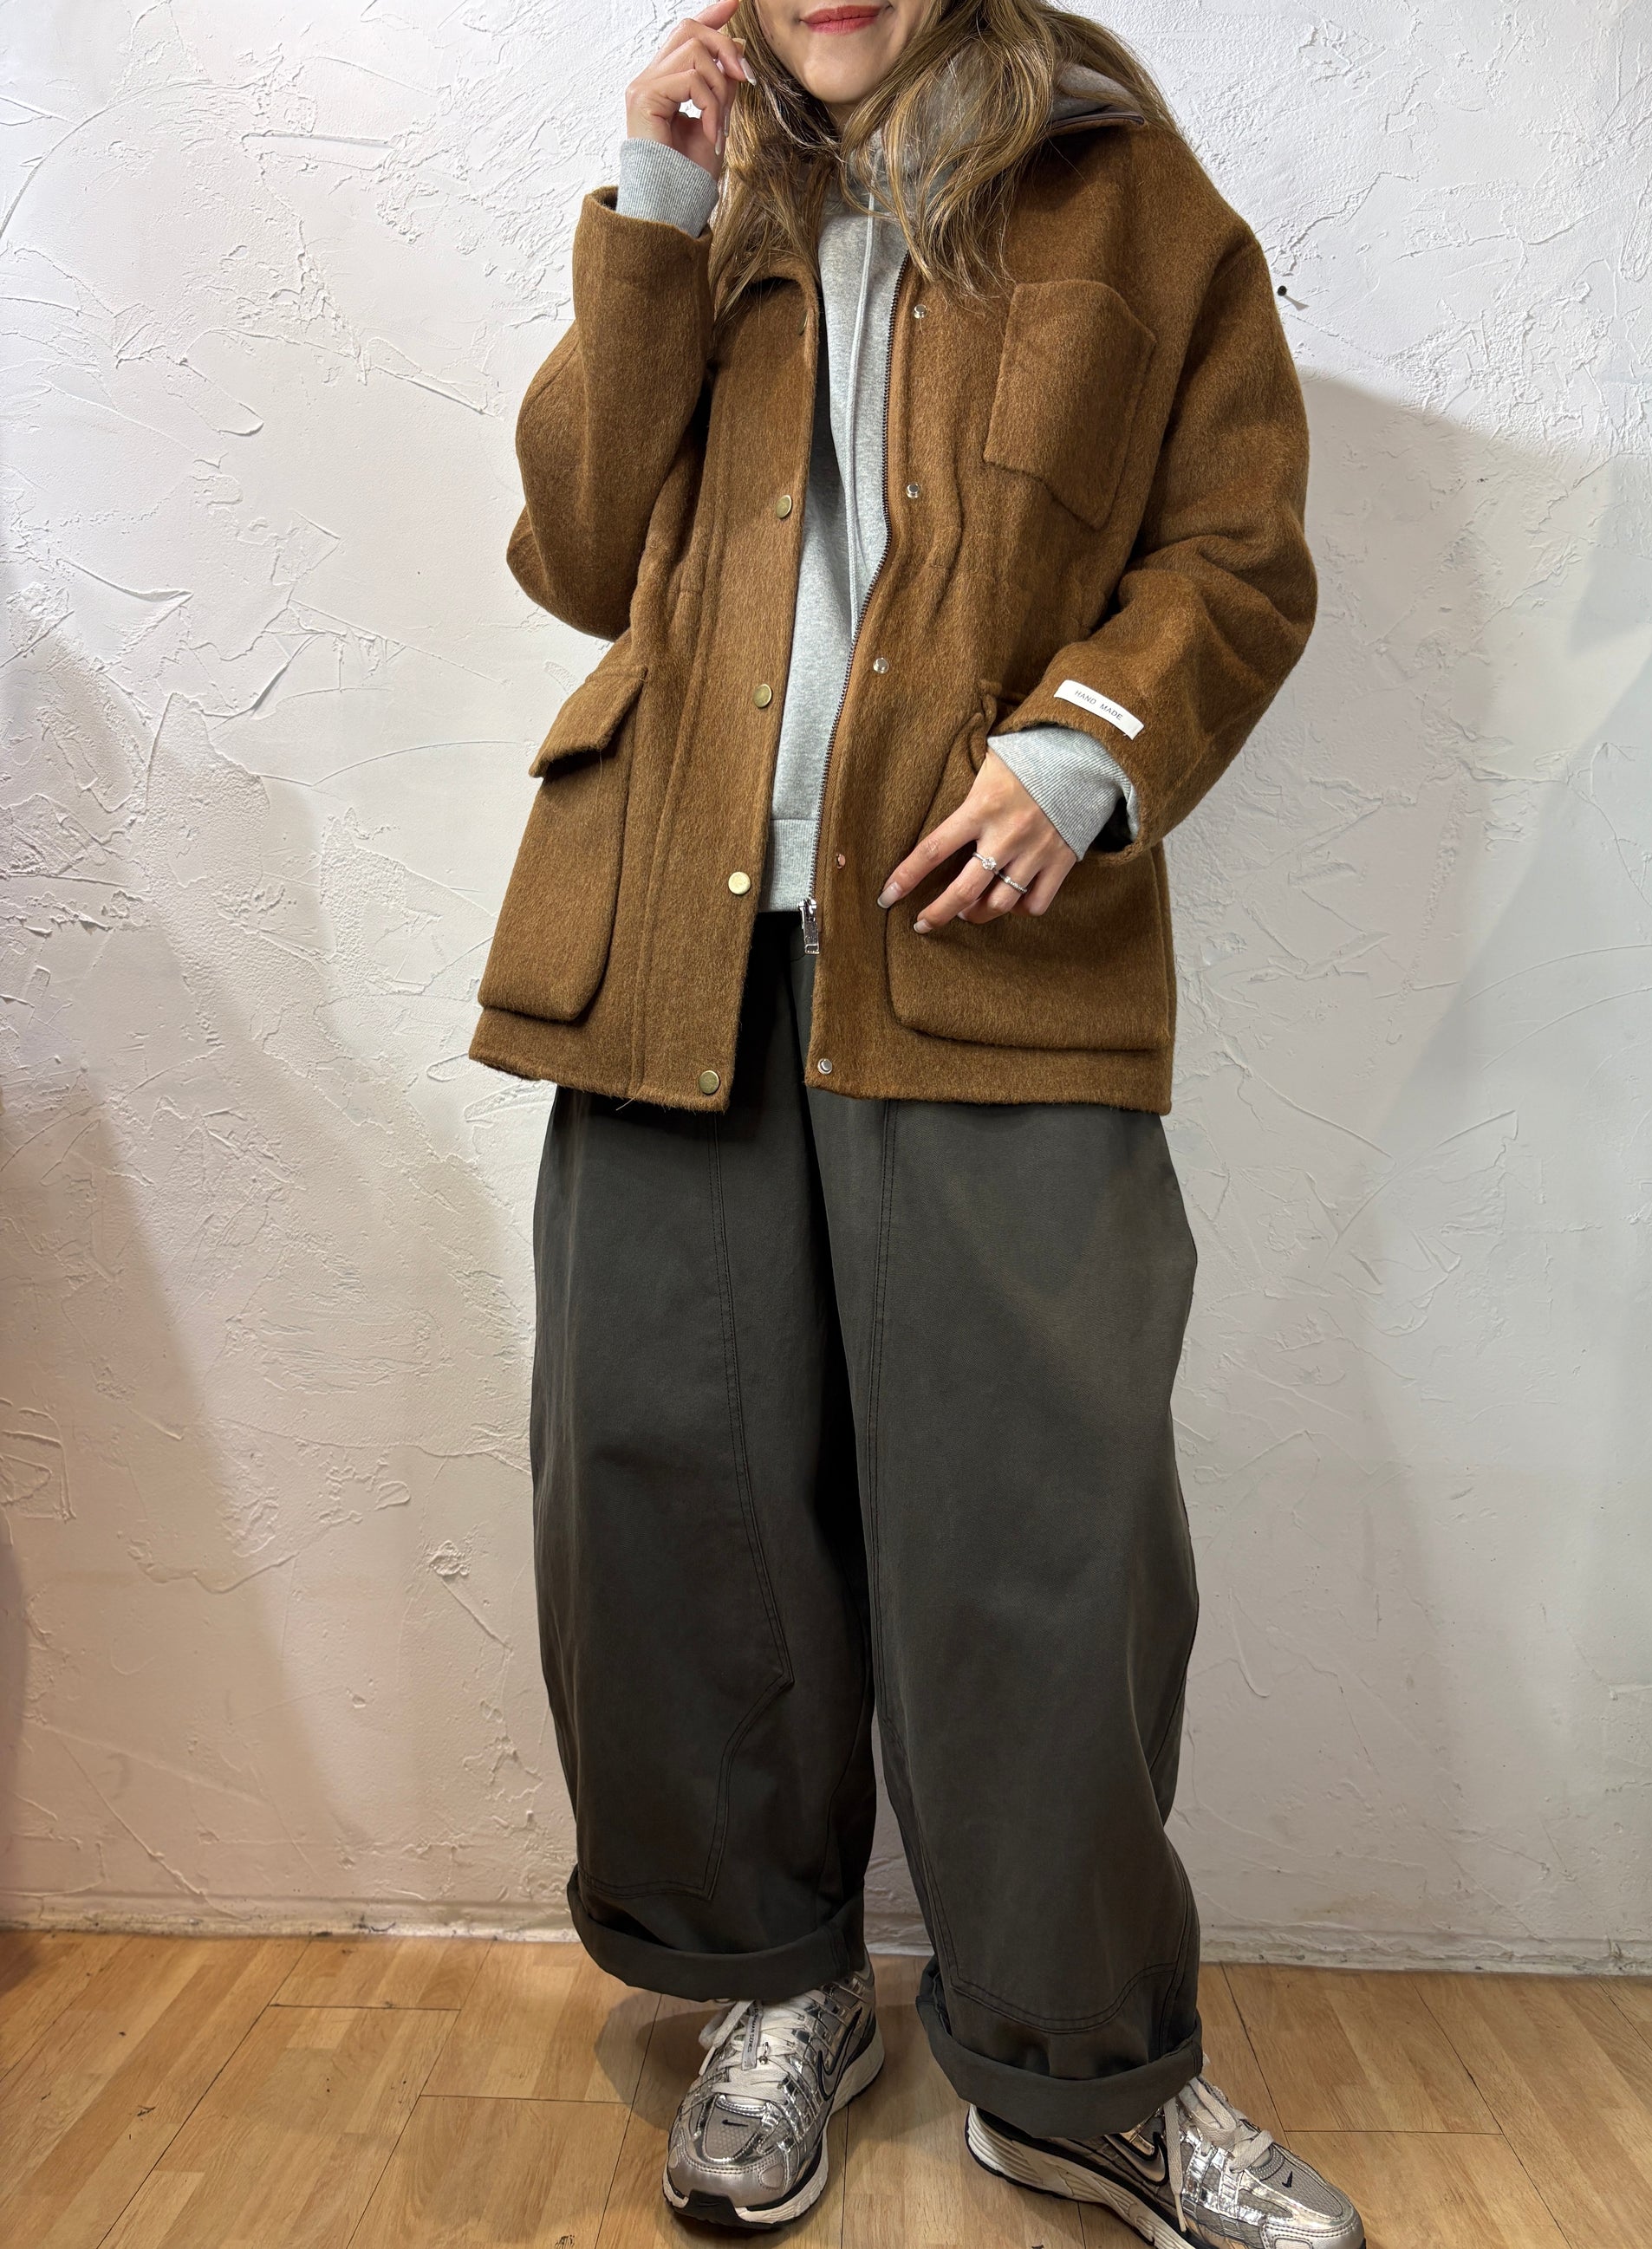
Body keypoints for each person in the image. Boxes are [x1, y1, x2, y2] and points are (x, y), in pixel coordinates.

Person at [471, 3, 1363, 2241]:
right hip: (666, 958)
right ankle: (777, 1989)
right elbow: (577, 548)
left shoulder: (1126, 201)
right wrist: (655, 200)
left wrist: (1085, 748)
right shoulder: (708, 205)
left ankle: (1076, 2070)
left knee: (1041, 1537)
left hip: (989, 963)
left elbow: (1237, 552)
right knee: (674, 1503)